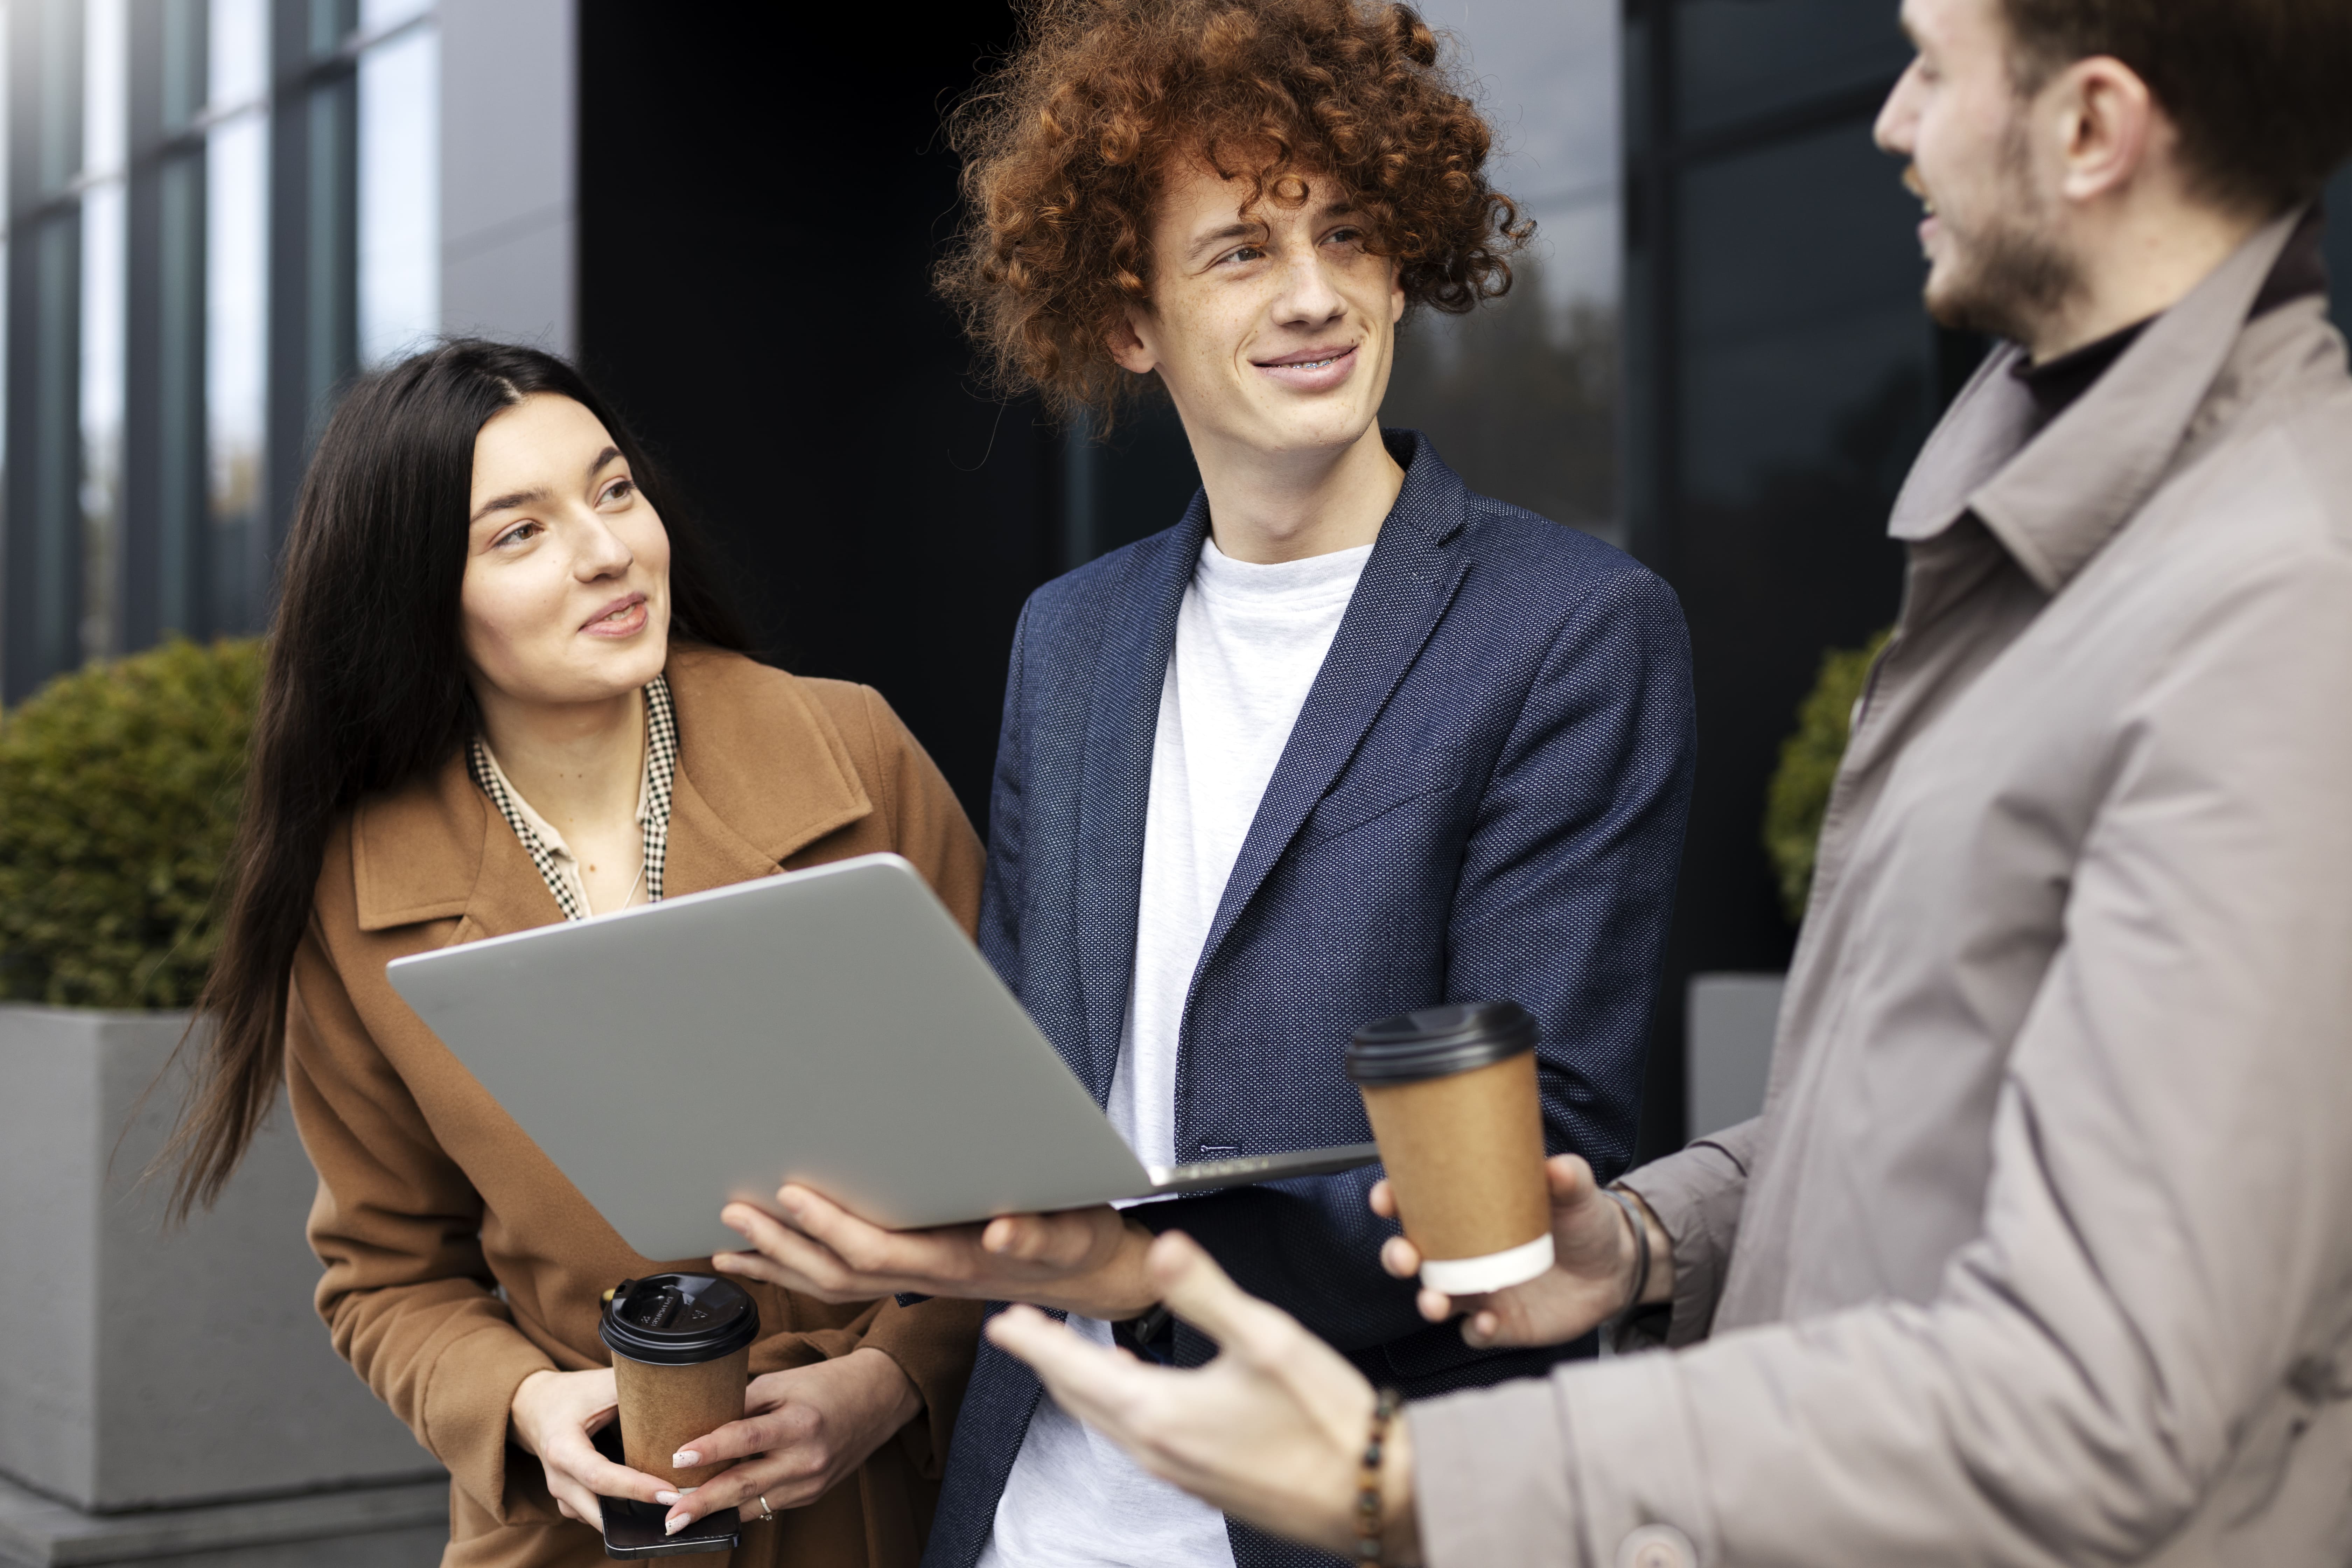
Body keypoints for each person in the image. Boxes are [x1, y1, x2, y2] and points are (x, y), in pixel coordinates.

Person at [979, 0, 2352, 1562]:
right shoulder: (2040, 533)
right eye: (1240, 249)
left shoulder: (2273, 595)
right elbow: (1907, 1102)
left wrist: (1394, 1465)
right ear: (1125, 312)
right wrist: (1644, 1237)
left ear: (2092, 127)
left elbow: (2106, 1383)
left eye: (1928, 62)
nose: (1892, 121)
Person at [707, 3, 1695, 1567]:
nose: (1317, 296)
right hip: (1036, 1503)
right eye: (1241, 249)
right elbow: (1038, 1067)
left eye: (1351, 234)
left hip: (1359, 1489)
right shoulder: (1072, 638)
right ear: (1127, 315)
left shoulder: (1571, 629)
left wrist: (1136, 1266)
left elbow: (1534, 1162)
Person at [161, 341, 988, 1568]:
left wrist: (892, 1378)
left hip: (895, 1518)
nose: (608, 551)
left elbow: (1035, 1152)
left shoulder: (851, 754)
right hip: (577, 1538)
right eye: (519, 534)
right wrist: (520, 1405)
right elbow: (387, 1279)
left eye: (614, 492)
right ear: (415, 593)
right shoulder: (355, 893)